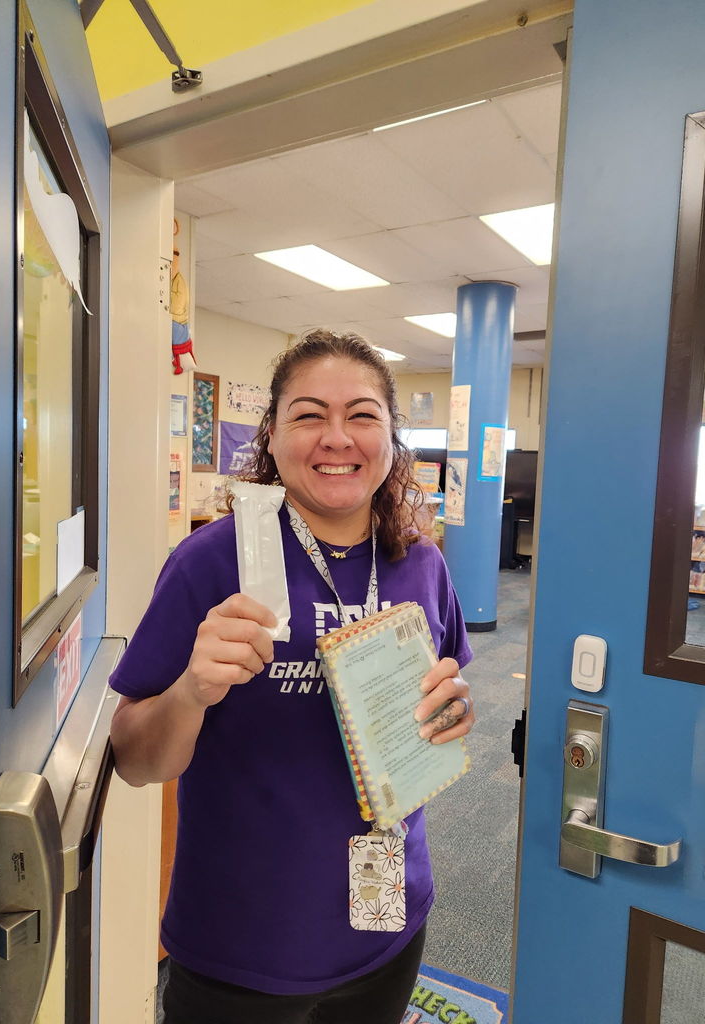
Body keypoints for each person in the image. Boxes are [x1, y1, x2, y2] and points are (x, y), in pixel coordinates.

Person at [109, 329, 475, 1024]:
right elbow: (134, 760)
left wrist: (451, 713)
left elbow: (450, 693)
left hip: (388, 921)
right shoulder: (210, 563)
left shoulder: (421, 562)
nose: (337, 437)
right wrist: (191, 692)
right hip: (243, 945)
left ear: (391, 437)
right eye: (309, 415)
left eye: (362, 415)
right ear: (272, 437)